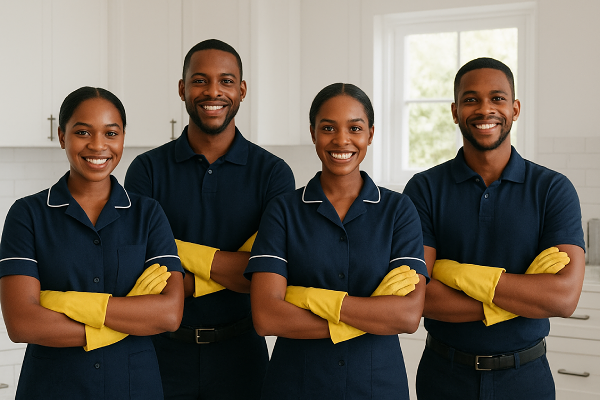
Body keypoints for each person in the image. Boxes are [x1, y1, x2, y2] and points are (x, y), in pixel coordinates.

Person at [403, 57, 586, 399]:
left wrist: (458, 275)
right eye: (471, 99)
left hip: (525, 378)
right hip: (444, 376)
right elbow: (419, 296)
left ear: (514, 109)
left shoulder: (552, 189)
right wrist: (524, 298)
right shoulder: (424, 188)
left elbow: (562, 298)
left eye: (497, 98)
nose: (485, 109)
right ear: (455, 111)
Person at [124, 39, 295, 399]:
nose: (213, 91)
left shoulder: (273, 174)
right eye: (200, 80)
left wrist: (173, 252)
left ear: (242, 90)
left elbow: (265, 278)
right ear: (183, 89)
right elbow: (142, 276)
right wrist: (239, 268)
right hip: (158, 351)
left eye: (226, 81)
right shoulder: (146, 171)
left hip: (243, 354)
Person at [245, 83, 429, 399]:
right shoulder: (284, 210)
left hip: (377, 387)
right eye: (328, 128)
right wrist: (372, 315)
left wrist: (311, 299)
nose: (341, 140)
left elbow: (407, 316)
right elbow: (266, 316)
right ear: (313, 133)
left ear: (370, 134)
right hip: (295, 386)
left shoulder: (398, 210)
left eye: (354, 128)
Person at [0, 86, 185, 399]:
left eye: (111, 133)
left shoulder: (148, 213)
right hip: (52, 388)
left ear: (123, 137)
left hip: (133, 387)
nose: (98, 145)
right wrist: (129, 317)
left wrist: (69, 303)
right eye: (83, 132)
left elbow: (168, 314)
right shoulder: (27, 214)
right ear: (62, 136)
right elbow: (23, 323)